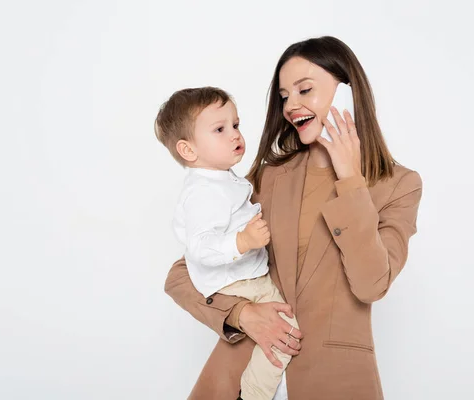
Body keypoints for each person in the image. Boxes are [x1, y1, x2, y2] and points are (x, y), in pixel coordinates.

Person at [164, 36, 423, 400]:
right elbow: (181, 275)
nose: (291, 106)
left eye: (305, 90)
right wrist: (242, 314)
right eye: (285, 96)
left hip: (333, 380)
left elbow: (371, 284)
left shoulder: (398, 185)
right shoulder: (267, 178)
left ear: (349, 93)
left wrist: (350, 179)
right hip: (242, 375)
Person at [154, 87, 300, 400]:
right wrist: (243, 241)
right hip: (239, 284)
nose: (235, 135)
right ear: (189, 151)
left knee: (282, 332)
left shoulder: (223, 179)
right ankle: (253, 394)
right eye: (220, 129)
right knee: (285, 333)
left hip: (246, 278)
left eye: (236, 125)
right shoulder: (204, 192)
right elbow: (200, 248)